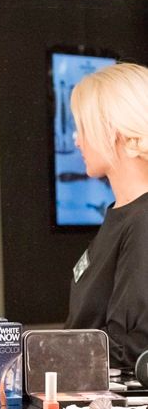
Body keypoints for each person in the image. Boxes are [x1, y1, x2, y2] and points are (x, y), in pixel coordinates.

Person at [65, 62, 148, 370]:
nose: (77, 140)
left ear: (115, 131)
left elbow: (130, 348)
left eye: (83, 128)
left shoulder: (143, 221)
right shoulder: (122, 216)